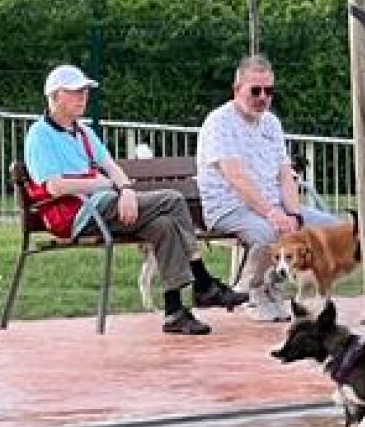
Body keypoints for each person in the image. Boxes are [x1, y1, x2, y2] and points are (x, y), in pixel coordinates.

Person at [24, 64, 247, 334]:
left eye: (85, 91)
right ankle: (202, 281)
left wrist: (127, 191)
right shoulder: (39, 135)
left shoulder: (83, 132)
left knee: (164, 225)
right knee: (173, 200)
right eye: (76, 92)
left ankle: (175, 311)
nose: (83, 97)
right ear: (55, 95)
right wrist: (103, 185)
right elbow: (55, 187)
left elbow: (112, 167)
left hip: (103, 207)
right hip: (76, 215)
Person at [195, 55, 338, 322]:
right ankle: (250, 293)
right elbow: (236, 178)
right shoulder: (219, 122)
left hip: (275, 207)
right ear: (237, 89)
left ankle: (281, 287)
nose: (263, 97)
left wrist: (294, 215)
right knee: (267, 233)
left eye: (269, 91)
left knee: (333, 228)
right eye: (256, 91)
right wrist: (272, 214)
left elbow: (285, 175)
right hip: (230, 207)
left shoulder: (272, 123)